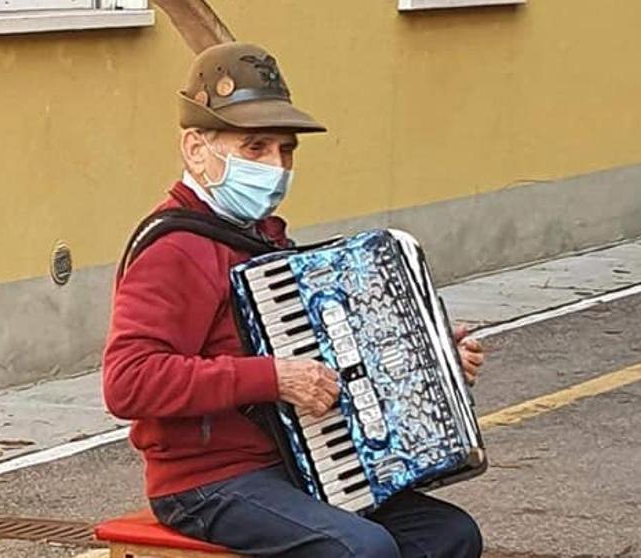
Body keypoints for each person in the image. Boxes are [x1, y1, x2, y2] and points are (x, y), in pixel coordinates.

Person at [103, 42, 486, 558]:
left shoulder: (259, 236)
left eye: (285, 150)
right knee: (360, 550)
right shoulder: (175, 248)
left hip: (293, 460)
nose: (276, 166)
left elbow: (330, 355)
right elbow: (129, 382)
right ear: (196, 149)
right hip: (207, 481)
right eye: (255, 147)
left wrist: (432, 362)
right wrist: (272, 377)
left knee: (448, 534)